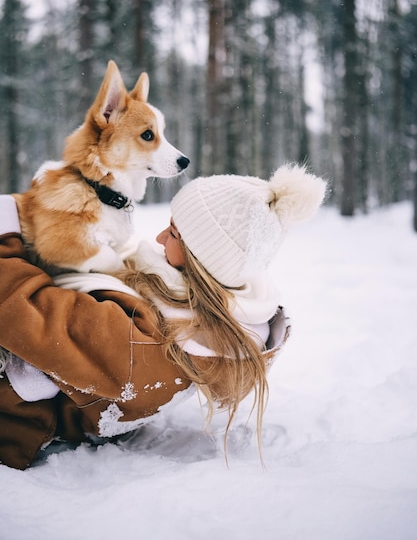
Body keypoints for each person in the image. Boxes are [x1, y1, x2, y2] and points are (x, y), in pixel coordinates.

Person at [0, 164, 326, 470]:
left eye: (173, 232)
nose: (158, 238)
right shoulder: (183, 300)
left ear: (200, 260)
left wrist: (5, 233)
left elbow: (20, 309)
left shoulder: (145, 342)